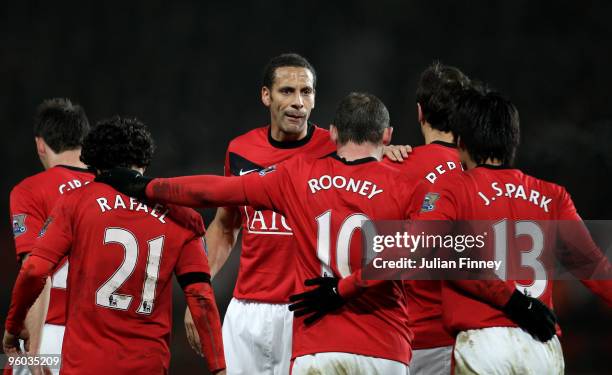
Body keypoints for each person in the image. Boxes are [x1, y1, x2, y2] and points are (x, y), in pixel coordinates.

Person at [97, 92, 418, 374]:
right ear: (387, 136)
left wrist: (148, 187)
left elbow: (215, 191)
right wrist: (344, 288)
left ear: (332, 133)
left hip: (317, 349)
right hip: (385, 348)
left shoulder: (297, 176)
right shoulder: (406, 183)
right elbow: (422, 251)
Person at [186, 53, 411, 374]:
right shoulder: (239, 150)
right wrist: (201, 289)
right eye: (287, 91)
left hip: (308, 308)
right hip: (248, 307)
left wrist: (386, 152)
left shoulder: (334, 147)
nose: (298, 102)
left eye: (306, 92)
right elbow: (225, 227)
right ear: (266, 95)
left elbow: (372, 170)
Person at [3, 117, 226, 375]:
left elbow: (33, 270)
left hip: (85, 366)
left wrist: (14, 324)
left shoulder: (74, 203)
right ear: (144, 162)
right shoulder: (183, 217)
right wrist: (218, 368)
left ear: (94, 165)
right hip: (148, 366)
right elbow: (201, 296)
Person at [414, 89, 612, 374]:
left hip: (484, 341)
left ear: (461, 143)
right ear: (513, 141)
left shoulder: (452, 190)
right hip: (541, 347)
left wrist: (511, 300)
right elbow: (592, 265)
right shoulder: (552, 195)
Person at [386, 62, 472, 375]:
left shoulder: (393, 168)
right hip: (475, 338)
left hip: (411, 339)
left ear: (420, 112)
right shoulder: (484, 171)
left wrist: (374, 156)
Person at [8, 98, 93, 374]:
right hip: (105, 337)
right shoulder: (112, 191)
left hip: (49, 333)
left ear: (40, 145)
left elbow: (35, 270)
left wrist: (33, 353)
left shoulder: (30, 191)